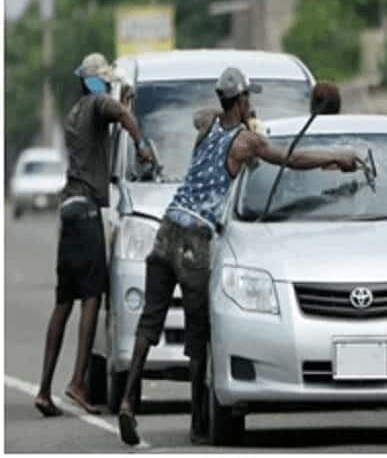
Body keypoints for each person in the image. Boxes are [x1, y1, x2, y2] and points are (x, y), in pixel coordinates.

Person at [117, 67, 359, 446]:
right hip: (195, 239)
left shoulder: (206, 130)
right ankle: (198, 422)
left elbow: (203, 116)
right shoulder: (246, 142)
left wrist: (231, 115)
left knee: (150, 321)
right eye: (250, 98)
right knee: (198, 335)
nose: (252, 104)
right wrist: (336, 157)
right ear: (242, 99)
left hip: (165, 230)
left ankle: (129, 400)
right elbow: (291, 159)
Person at [34, 53, 151, 417]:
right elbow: (120, 114)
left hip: (68, 212)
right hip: (86, 215)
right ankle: (78, 382)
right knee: (92, 297)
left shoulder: (74, 113)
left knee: (63, 302)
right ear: (96, 82)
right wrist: (142, 144)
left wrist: (122, 101)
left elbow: (110, 119)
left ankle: (43, 389)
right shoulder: (99, 103)